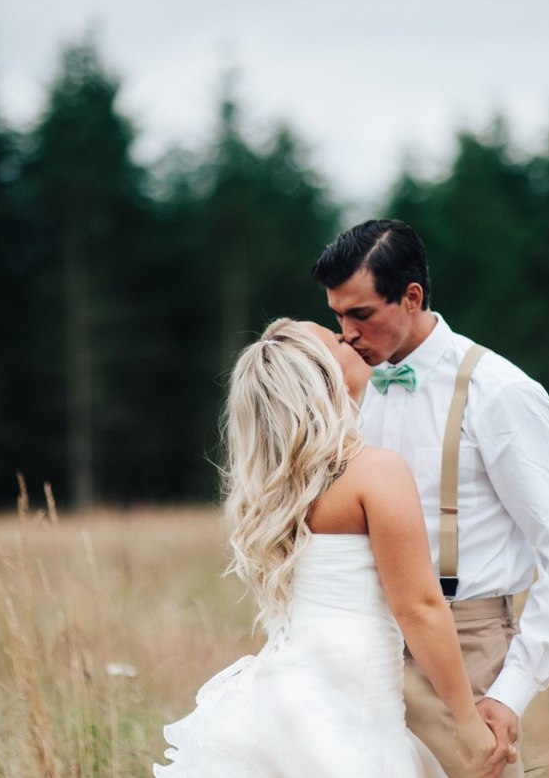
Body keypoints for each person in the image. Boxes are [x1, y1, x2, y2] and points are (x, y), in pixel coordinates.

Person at [312, 219, 549, 778]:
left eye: (361, 313)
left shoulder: (502, 394)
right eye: (337, 316)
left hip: (465, 649)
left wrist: (512, 690)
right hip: (361, 649)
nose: (346, 334)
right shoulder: (348, 390)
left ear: (412, 296)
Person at [154, 318, 496, 777]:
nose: (351, 337)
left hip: (286, 690)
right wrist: (467, 718)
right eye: (337, 339)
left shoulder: (273, 491)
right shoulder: (376, 472)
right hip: (350, 697)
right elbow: (418, 607)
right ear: (325, 375)